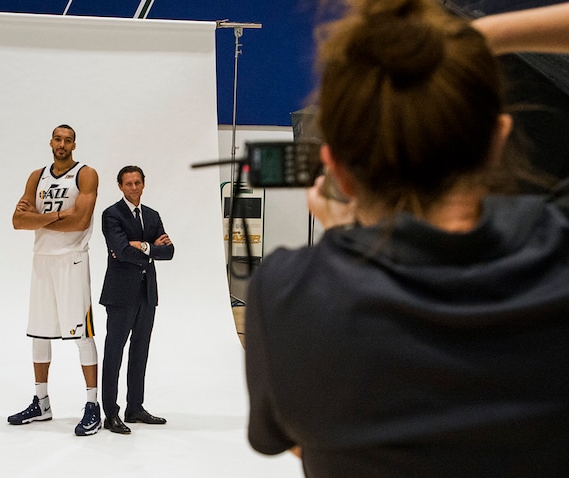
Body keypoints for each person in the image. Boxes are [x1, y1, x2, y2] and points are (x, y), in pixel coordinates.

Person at [245, 0, 569, 476]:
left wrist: (346, 245)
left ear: (337, 170)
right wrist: (482, 37)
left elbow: (298, 440)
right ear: (498, 140)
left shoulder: (289, 293)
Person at [8, 124, 102, 437]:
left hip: (72, 261)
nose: (62, 144)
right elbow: (17, 221)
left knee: (82, 334)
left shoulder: (86, 174)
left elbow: (81, 221)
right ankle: (41, 402)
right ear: (50, 141)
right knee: (39, 333)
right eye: (58, 138)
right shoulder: (37, 176)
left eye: (68, 139)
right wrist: (59, 215)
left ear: (75, 144)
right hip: (42, 261)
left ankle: (92, 405)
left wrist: (40, 218)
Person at [99, 165, 174, 434]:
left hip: (146, 293)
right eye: (128, 183)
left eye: (137, 182)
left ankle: (135, 407)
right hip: (120, 295)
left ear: (144, 184)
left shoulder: (152, 215)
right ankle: (110, 412)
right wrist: (153, 248)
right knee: (114, 352)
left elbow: (170, 252)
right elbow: (119, 249)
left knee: (140, 351)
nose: (133, 187)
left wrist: (141, 246)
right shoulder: (111, 215)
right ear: (119, 186)